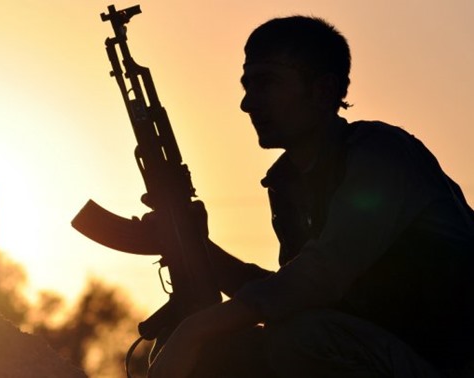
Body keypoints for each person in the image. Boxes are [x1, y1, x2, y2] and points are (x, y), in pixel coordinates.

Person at [148, 15, 474, 378]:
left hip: (452, 363)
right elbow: (290, 291)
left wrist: (195, 330)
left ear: (322, 90)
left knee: (297, 338)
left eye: (266, 83)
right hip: (387, 352)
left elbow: (322, 275)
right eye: (247, 84)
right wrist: (194, 247)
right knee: (221, 351)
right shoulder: (288, 182)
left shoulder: (383, 155)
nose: (247, 103)